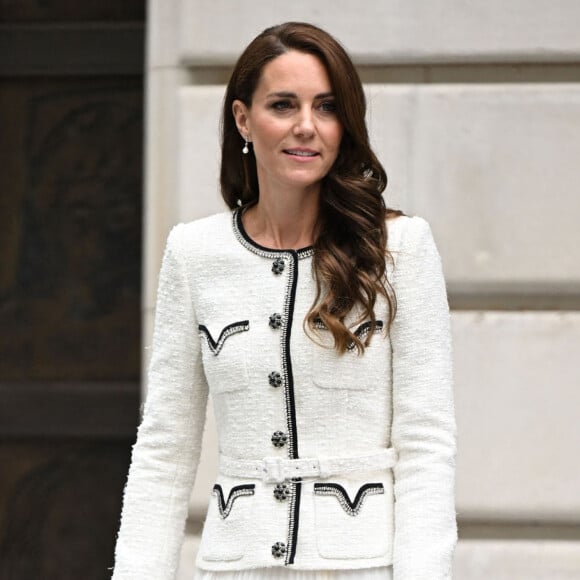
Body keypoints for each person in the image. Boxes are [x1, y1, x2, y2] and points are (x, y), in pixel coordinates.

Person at [112, 22, 457, 580]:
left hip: (364, 568)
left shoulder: (400, 249)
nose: (306, 127)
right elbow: (164, 450)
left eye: (326, 107)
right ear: (244, 118)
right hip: (235, 567)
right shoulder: (194, 253)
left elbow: (426, 443)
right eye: (283, 105)